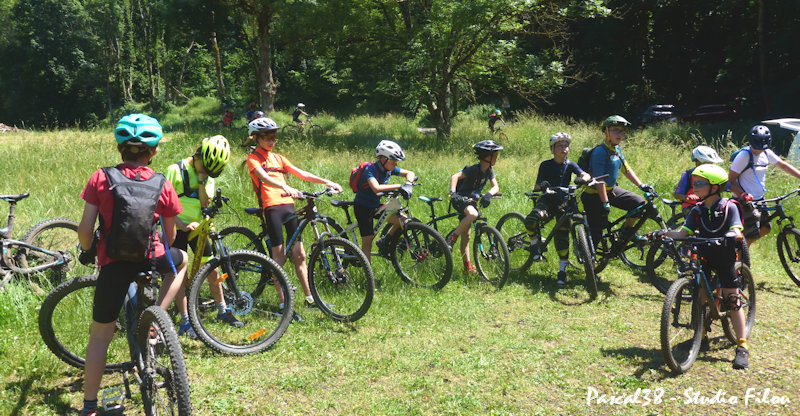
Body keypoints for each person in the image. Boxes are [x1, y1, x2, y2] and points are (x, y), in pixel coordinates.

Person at [77, 114, 188, 416]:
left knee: (100, 335)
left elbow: (85, 230)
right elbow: (172, 234)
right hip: (150, 260)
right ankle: (156, 317)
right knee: (182, 260)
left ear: (119, 148)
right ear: (153, 152)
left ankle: (89, 406)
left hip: (114, 264)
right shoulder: (162, 183)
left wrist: (87, 250)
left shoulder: (101, 177)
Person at [650, 164, 750, 369]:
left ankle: (742, 345)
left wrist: (733, 234)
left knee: (732, 299)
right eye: (694, 183)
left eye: (700, 184)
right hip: (704, 256)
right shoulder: (697, 210)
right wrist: (663, 234)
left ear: (715, 187)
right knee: (701, 297)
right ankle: (701, 336)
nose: (694, 187)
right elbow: (683, 233)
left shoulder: (729, 207)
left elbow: (737, 228)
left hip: (724, 257)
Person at [246, 117, 343, 316]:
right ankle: (284, 305)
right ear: (255, 137)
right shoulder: (253, 158)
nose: (271, 140)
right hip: (272, 207)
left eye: (274, 136)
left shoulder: (279, 158)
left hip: (288, 207)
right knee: (278, 258)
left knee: (300, 254)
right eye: (266, 137)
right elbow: (263, 178)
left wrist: (326, 181)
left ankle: (310, 298)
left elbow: (300, 173)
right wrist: (284, 186)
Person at [164, 135, 242, 338]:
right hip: (177, 227)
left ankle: (222, 309)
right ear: (198, 155)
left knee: (212, 268)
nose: (206, 173)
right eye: (204, 169)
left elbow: (205, 203)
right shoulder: (175, 171)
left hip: (197, 228)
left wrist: (201, 181)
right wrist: (182, 224)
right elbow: (164, 206)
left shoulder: (207, 175)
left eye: (209, 172)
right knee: (180, 274)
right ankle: (185, 320)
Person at [581, 115, 657, 247]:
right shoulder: (600, 151)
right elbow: (599, 181)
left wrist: (641, 185)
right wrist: (605, 202)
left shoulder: (616, 149)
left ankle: (625, 232)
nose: (619, 134)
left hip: (610, 191)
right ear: (606, 132)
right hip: (593, 195)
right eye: (615, 130)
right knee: (596, 231)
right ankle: (590, 261)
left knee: (638, 203)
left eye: (622, 131)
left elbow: (626, 169)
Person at [525, 132, 591, 286]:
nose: (564, 148)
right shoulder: (545, 165)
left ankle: (562, 271)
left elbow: (585, 174)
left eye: (566, 146)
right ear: (552, 149)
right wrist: (543, 185)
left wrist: (583, 178)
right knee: (531, 220)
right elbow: (536, 186)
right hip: (547, 202)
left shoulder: (571, 165)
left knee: (562, 238)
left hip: (564, 204)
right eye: (560, 146)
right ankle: (534, 245)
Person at [729, 125, 800, 246]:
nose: (758, 150)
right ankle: (740, 259)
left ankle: (742, 249)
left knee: (766, 228)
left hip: (760, 199)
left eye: (762, 148)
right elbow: (730, 182)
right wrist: (743, 194)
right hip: (744, 202)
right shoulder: (744, 156)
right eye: (756, 147)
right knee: (749, 233)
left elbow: (782, 165)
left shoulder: (766, 153)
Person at [354, 140, 416, 263]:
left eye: (396, 162)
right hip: (363, 208)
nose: (395, 164)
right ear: (383, 160)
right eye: (393, 162)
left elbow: (410, 173)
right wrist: (398, 186)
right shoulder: (370, 170)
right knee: (368, 242)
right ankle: (368, 277)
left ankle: (384, 241)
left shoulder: (389, 169)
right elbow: (376, 188)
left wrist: (408, 184)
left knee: (403, 221)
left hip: (376, 206)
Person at [447, 140, 502, 273]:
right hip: (460, 198)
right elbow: (455, 177)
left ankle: (467, 267)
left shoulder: (489, 170)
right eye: (495, 155)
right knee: (473, 215)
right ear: (487, 157)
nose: (497, 157)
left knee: (466, 236)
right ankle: (452, 238)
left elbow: (496, 186)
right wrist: (453, 193)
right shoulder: (474, 169)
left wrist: (488, 195)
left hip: (471, 201)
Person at [674, 145, 724, 215]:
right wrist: (687, 198)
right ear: (698, 162)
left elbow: (727, 186)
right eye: (708, 163)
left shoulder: (715, 174)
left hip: (710, 205)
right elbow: (677, 194)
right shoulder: (688, 175)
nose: (711, 166)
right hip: (691, 206)